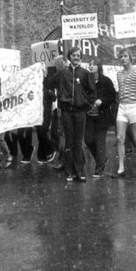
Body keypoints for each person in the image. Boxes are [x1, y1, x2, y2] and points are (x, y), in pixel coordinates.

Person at [51, 47, 96, 182]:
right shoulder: (63, 73)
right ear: (69, 57)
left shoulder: (85, 73)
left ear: (80, 57)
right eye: (73, 55)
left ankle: (80, 171)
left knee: (78, 142)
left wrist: (85, 104)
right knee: (68, 142)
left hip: (80, 112)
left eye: (78, 55)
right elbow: (50, 83)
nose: (76, 57)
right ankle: (69, 171)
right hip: (66, 112)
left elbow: (92, 93)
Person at [113, 49, 136, 178]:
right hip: (122, 106)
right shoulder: (119, 74)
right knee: (119, 138)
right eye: (121, 56)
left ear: (130, 57)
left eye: (125, 56)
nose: (123, 58)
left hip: (134, 106)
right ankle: (121, 168)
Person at [84, 58, 117, 178]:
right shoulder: (86, 80)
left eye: (93, 64)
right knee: (88, 140)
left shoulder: (106, 81)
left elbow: (112, 97)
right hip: (89, 116)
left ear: (99, 67)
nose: (91, 66)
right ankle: (102, 159)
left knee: (100, 142)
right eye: (90, 64)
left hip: (102, 116)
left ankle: (99, 169)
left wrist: (102, 101)